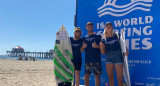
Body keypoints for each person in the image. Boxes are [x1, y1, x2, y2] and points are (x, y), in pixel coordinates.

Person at [81, 22, 102, 86]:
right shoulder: (84, 38)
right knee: (86, 75)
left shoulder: (98, 36)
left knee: (97, 75)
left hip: (96, 59)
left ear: (92, 27)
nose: (89, 27)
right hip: (88, 60)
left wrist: (97, 46)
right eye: (88, 26)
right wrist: (83, 47)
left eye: (91, 26)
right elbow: (81, 50)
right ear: (86, 27)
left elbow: (103, 49)